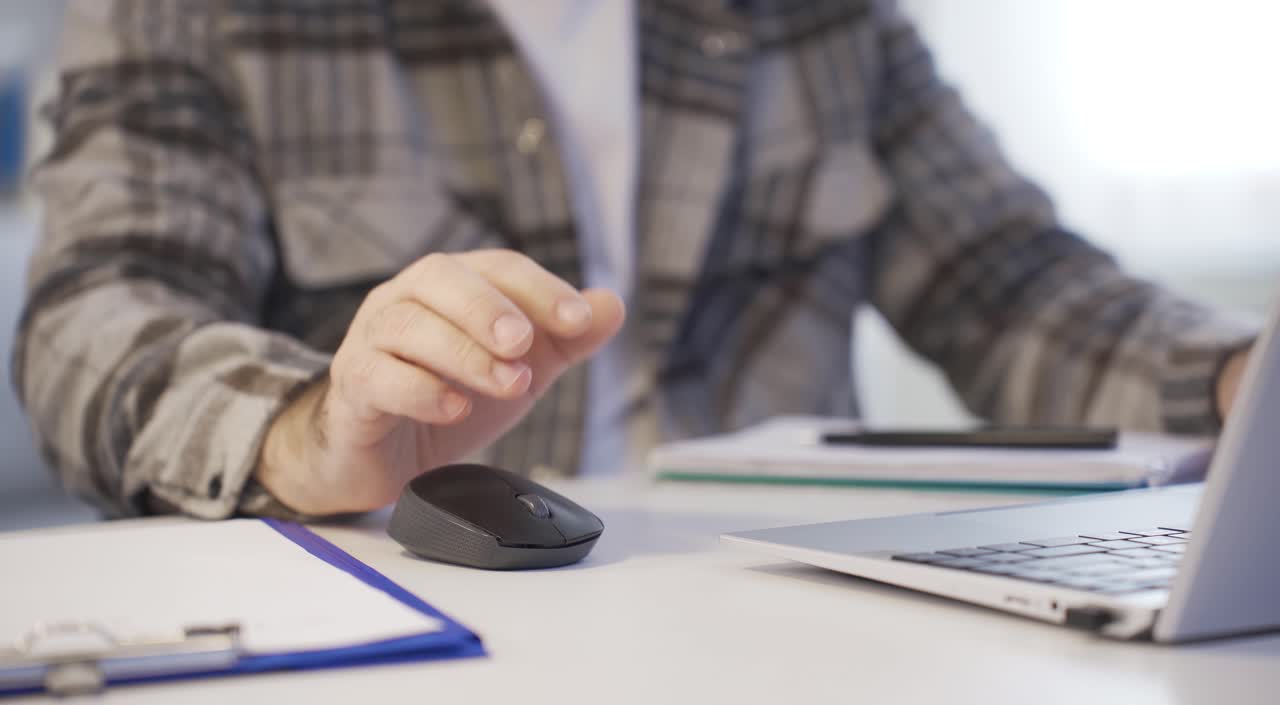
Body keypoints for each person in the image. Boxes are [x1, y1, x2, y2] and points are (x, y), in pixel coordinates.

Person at [14, 0, 1256, 520]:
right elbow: (94, 317)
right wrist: (303, 430)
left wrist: (1236, 384)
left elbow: (1009, 283)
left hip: (799, 639)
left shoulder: (817, 17)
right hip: (404, 632)